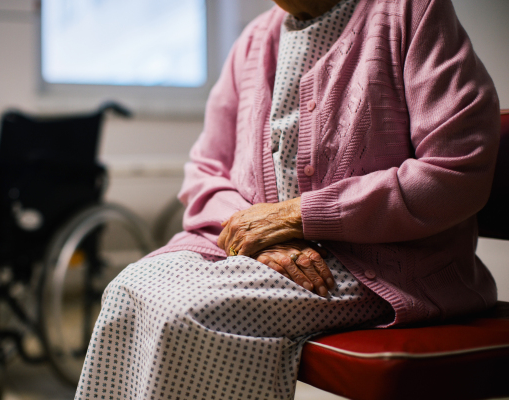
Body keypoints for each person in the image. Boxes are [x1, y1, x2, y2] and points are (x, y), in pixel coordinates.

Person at [76, 0, 500, 398]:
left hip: (376, 265)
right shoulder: (254, 40)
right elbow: (204, 171)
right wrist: (259, 235)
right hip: (260, 253)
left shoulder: (410, 12)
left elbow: (455, 169)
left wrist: (297, 216)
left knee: (189, 311)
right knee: (127, 290)